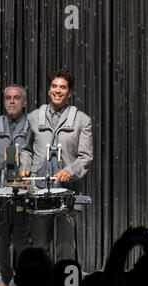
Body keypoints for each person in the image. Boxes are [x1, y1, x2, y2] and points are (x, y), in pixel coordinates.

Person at [20, 69, 93, 262]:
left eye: (63, 87)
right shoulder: (33, 117)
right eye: (54, 86)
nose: (58, 90)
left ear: (70, 93)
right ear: (49, 89)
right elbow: (26, 149)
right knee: (39, 247)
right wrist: (24, 167)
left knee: (65, 246)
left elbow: (86, 157)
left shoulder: (82, 120)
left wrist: (70, 171)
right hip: (39, 193)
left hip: (68, 193)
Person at [0, 85, 30, 286]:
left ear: (24, 102)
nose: (12, 101)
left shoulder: (32, 124)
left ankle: (24, 278)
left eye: (16, 98)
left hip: (23, 191)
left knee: (22, 239)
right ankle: (6, 277)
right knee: (1, 239)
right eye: (8, 98)